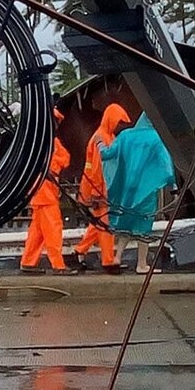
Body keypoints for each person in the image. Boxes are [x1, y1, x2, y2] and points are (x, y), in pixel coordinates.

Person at [102, 111, 175, 273]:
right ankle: (142, 264)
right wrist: (173, 184)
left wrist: (99, 144)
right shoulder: (156, 138)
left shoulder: (125, 135)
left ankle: (117, 257)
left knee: (126, 223)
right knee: (144, 227)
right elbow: (165, 163)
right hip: (146, 189)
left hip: (128, 189)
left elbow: (108, 154)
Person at [71, 101, 130, 271]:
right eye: (119, 122)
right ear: (112, 120)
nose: (120, 127)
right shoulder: (101, 138)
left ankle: (79, 251)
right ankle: (108, 262)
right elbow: (97, 169)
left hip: (98, 188)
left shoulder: (107, 136)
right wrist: (97, 194)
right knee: (105, 226)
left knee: (99, 225)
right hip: (98, 189)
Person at [19, 108, 70, 274]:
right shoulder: (45, 142)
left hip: (40, 193)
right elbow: (64, 160)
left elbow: (64, 159)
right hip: (46, 194)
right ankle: (58, 266)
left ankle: (28, 262)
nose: (55, 125)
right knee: (53, 229)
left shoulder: (39, 141)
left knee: (38, 232)